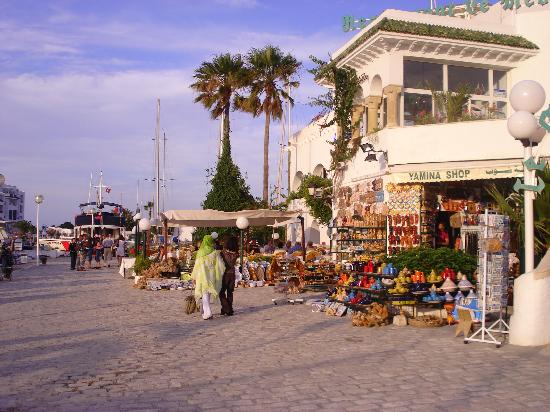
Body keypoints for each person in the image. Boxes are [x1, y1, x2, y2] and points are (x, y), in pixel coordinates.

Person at [191, 235, 225, 320]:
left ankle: (208, 312)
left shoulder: (200, 252)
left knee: (204, 294)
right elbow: (220, 265)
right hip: (212, 275)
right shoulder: (214, 252)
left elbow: (197, 266)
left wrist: (194, 276)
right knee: (208, 293)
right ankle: (206, 312)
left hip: (202, 276)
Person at [220, 236, 239, 316]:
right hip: (232, 274)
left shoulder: (223, 253)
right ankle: (228, 309)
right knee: (230, 292)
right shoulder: (236, 254)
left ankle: (226, 308)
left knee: (221, 292)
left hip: (225, 274)